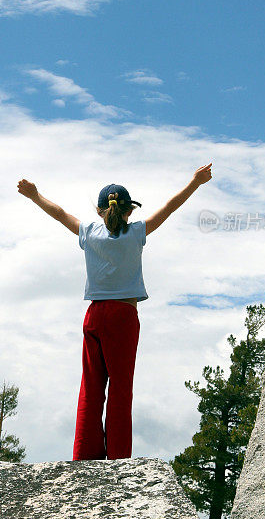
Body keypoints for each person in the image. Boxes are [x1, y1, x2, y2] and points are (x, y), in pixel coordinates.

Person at [17, 163, 212, 461]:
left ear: (99, 211)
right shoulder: (136, 233)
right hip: (122, 318)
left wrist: (34, 195)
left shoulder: (89, 232)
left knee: (91, 389)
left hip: (93, 316)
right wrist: (195, 182)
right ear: (129, 211)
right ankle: (118, 459)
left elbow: (59, 213)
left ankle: (84, 456)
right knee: (121, 390)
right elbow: (170, 207)